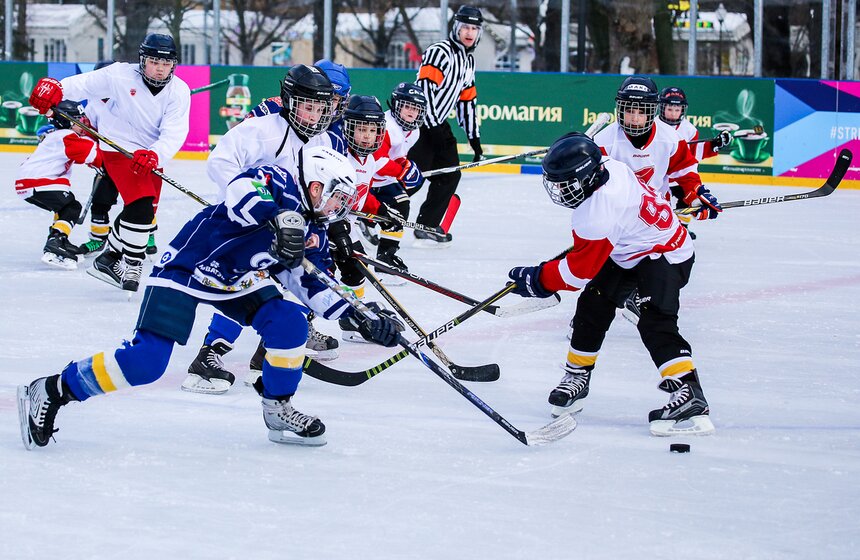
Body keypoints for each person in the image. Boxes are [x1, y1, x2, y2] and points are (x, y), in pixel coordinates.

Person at [16, 147, 402, 450]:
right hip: (189, 269)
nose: (340, 208)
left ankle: (278, 407)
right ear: (317, 186)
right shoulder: (278, 180)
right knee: (146, 363)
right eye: (338, 198)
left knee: (289, 321)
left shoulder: (316, 228)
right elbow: (239, 190)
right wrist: (277, 217)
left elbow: (312, 286)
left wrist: (360, 316)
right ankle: (52, 389)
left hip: (238, 281)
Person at [506, 133, 716, 437]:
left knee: (654, 319)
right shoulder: (610, 167)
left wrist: (538, 279)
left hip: (666, 254)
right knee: (594, 303)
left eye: (565, 183)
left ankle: (690, 392)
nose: (560, 191)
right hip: (630, 249)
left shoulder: (598, 211)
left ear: (585, 178)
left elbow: (578, 272)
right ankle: (577, 375)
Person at [184, 64, 346, 393]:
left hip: (290, 223)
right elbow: (222, 162)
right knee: (246, 284)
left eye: (322, 107)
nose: (315, 115)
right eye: (309, 106)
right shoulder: (266, 125)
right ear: (292, 101)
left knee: (303, 278)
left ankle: (267, 353)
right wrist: (258, 208)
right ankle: (209, 354)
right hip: (247, 221)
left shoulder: (324, 137)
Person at [28, 33, 190, 292]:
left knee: (144, 212)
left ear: (174, 64)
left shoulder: (179, 91)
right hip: (119, 148)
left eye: (166, 63)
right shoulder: (119, 75)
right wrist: (56, 88)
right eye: (153, 62)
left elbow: (175, 131)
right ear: (142, 60)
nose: (160, 69)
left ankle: (110, 257)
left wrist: (157, 154)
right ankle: (131, 263)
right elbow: (84, 84)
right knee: (142, 206)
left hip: (149, 155)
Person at [591, 76, 721, 326]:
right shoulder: (605, 142)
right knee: (608, 274)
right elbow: (597, 190)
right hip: (618, 218)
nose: (635, 118)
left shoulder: (669, 139)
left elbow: (684, 174)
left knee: (670, 263)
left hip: (653, 217)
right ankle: (590, 319)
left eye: (642, 112)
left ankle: (643, 303)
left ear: (653, 112)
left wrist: (696, 196)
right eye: (629, 111)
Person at [408, 5, 484, 246]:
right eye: (465, 27)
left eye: (474, 28)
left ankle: (427, 224)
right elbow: (425, 90)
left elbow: (467, 102)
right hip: (419, 125)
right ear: (456, 29)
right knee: (411, 178)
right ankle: (373, 217)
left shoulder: (468, 62)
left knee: (450, 175)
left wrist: (474, 138)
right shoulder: (440, 51)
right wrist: (430, 127)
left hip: (438, 125)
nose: (469, 32)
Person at [14, 100, 103, 269]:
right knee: (72, 207)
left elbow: (79, 156)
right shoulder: (67, 137)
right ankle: (55, 241)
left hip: (28, 184)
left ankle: (60, 240)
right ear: (67, 121)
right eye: (78, 120)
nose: (82, 123)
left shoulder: (58, 136)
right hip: (40, 181)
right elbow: (96, 156)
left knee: (63, 208)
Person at [363, 82, 428, 281]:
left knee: (401, 205)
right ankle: (365, 221)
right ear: (396, 105)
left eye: (416, 108)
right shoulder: (386, 126)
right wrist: (401, 171)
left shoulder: (413, 131)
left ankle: (386, 257)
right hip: (365, 178)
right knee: (378, 209)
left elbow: (396, 156)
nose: (411, 112)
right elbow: (376, 160)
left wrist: (406, 166)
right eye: (407, 106)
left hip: (383, 180)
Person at [658, 86, 732, 240]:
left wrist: (714, 145)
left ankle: (681, 228)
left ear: (683, 110)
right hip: (657, 175)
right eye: (669, 108)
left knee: (686, 200)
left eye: (677, 109)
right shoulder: (652, 125)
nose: (673, 113)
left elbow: (694, 154)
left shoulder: (689, 130)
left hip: (679, 176)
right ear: (662, 107)